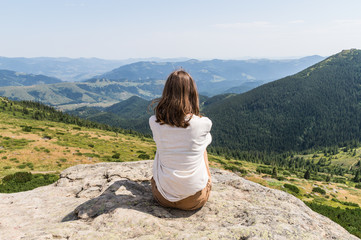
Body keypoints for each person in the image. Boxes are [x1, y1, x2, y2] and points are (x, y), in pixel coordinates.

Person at [149, 69, 212, 211]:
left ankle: (169, 183)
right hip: (194, 199)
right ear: (192, 93)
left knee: (163, 146)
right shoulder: (204, 123)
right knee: (202, 147)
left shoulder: (154, 122)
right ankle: (206, 180)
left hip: (162, 197)